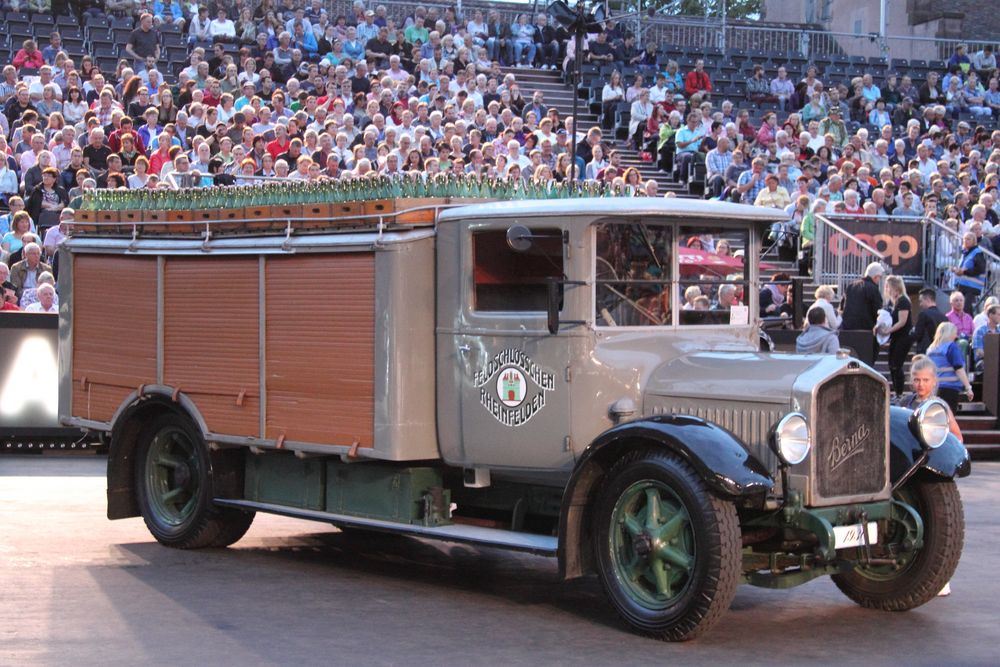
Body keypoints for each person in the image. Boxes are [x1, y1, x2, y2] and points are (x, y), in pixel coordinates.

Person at [926, 322, 975, 411]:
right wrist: (968, 387)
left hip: (933, 388)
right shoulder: (951, 347)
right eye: (955, 333)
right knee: (948, 417)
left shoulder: (931, 348)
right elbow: (959, 369)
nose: (956, 336)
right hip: (950, 388)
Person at [883, 276, 913, 395]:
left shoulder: (903, 301)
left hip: (903, 337)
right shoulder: (895, 302)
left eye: (887, 286)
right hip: (897, 337)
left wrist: (888, 331)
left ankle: (899, 393)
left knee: (896, 364)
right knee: (892, 365)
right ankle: (897, 391)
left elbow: (902, 321)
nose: (886, 289)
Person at [952, 231, 985, 314]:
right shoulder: (965, 253)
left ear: (974, 241)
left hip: (971, 287)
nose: (965, 241)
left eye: (968, 239)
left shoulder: (977, 253)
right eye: (964, 239)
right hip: (963, 285)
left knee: (966, 309)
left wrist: (964, 272)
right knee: (960, 309)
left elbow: (980, 269)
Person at [912, 288, 948, 354]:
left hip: (925, 352)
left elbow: (918, 334)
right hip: (940, 352)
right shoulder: (944, 317)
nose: (920, 304)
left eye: (921, 301)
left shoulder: (923, 314)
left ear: (928, 299)